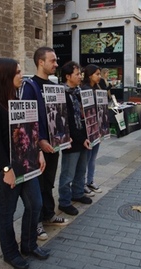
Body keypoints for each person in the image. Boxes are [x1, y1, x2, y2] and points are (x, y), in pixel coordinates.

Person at [0, 58, 49, 269]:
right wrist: (6, 170)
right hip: (2, 168)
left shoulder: (16, 99)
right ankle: (10, 253)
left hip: (25, 164)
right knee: (7, 211)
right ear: (5, 76)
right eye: (18, 72)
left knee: (35, 204)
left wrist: (38, 152)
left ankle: (29, 245)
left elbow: (29, 131)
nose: (22, 76)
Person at [21, 47, 69, 241]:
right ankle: (37, 222)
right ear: (41, 62)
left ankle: (48, 214)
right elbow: (26, 119)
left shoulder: (53, 87)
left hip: (54, 144)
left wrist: (65, 135)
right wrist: (39, 140)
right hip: (38, 147)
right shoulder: (30, 86)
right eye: (53, 60)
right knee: (38, 185)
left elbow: (59, 116)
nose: (56, 64)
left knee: (48, 182)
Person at [58, 61, 92, 216]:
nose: (80, 77)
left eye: (80, 74)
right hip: (71, 140)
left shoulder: (79, 92)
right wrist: (79, 138)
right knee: (68, 173)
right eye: (77, 74)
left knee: (81, 169)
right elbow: (67, 121)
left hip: (84, 136)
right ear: (67, 76)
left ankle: (78, 193)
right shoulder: (61, 95)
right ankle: (64, 202)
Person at [81, 64, 103, 195]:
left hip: (97, 127)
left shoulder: (98, 88)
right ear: (90, 75)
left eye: (100, 74)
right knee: (87, 157)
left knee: (93, 157)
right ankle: (83, 182)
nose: (99, 77)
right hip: (89, 128)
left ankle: (90, 180)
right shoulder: (85, 90)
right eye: (97, 74)